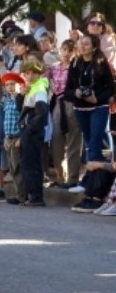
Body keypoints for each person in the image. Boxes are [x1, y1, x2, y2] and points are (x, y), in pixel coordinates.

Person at [64, 33, 115, 207]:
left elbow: (111, 88)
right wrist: (76, 93)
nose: (83, 46)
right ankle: (91, 181)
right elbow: (67, 91)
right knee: (89, 144)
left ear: (94, 47)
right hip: (80, 108)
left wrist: (97, 98)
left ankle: (90, 187)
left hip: (98, 108)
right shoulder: (75, 63)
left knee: (94, 143)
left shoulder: (101, 63)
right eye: (81, 43)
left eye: (87, 44)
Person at [49, 39, 83, 189]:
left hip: (74, 103)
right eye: (64, 49)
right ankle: (59, 176)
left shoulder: (77, 67)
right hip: (58, 103)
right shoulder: (54, 67)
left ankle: (73, 178)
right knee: (56, 140)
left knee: (74, 141)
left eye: (70, 50)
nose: (66, 53)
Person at [17, 61, 50, 207]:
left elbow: (41, 113)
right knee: (27, 164)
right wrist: (20, 95)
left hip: (32, 132)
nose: (30, 76)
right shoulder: (30, 88)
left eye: (33, 73)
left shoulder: (39, 87)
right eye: (27, 73)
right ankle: (30, 195)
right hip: (27, 129)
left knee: (32, 165)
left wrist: (29, 130)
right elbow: (21, 109)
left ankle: (36, 196)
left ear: (38, 74)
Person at [2, 72, 27, 205]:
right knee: (12, 168)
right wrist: (6, 138)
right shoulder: (7, 100)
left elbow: (24, 120)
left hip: (18, 136)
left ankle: (23, 196)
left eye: (13, 84)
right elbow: (6, 120)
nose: (10, 87)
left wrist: (21, 137)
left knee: (18, 167)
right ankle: (19, 194)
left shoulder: (21, 99)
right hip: (10, 137)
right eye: (7, 85)